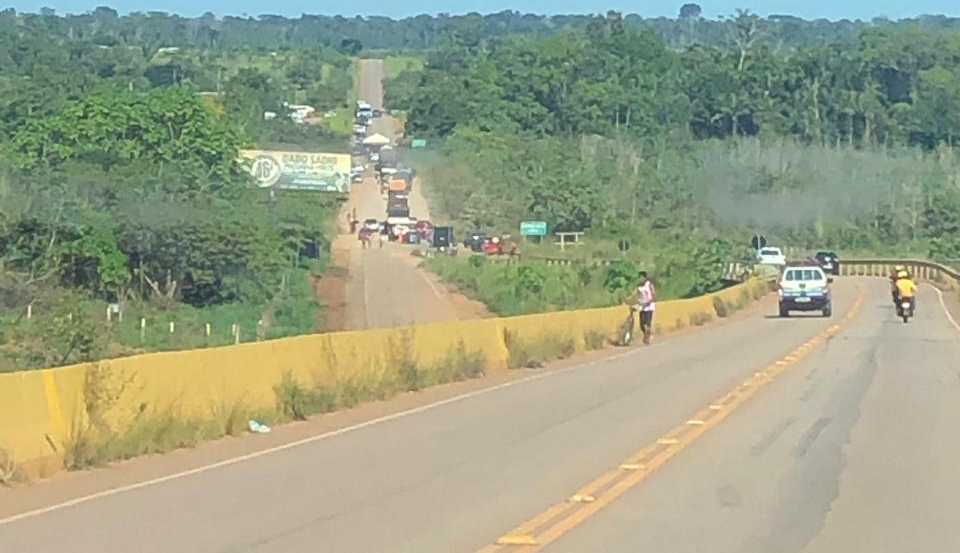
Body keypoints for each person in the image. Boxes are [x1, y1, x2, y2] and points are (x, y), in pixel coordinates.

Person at [632, 271, 656, 345]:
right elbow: (634, 293)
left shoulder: (649, 285)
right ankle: (647, 334)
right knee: (642, 324)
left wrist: (649, 302)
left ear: (645, 278)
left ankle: (647, 338)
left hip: (649, 306)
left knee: (647, 323)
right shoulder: (638, 286)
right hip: (642, 306)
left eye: (641, 277)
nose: (640, 279)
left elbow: (654, 295)